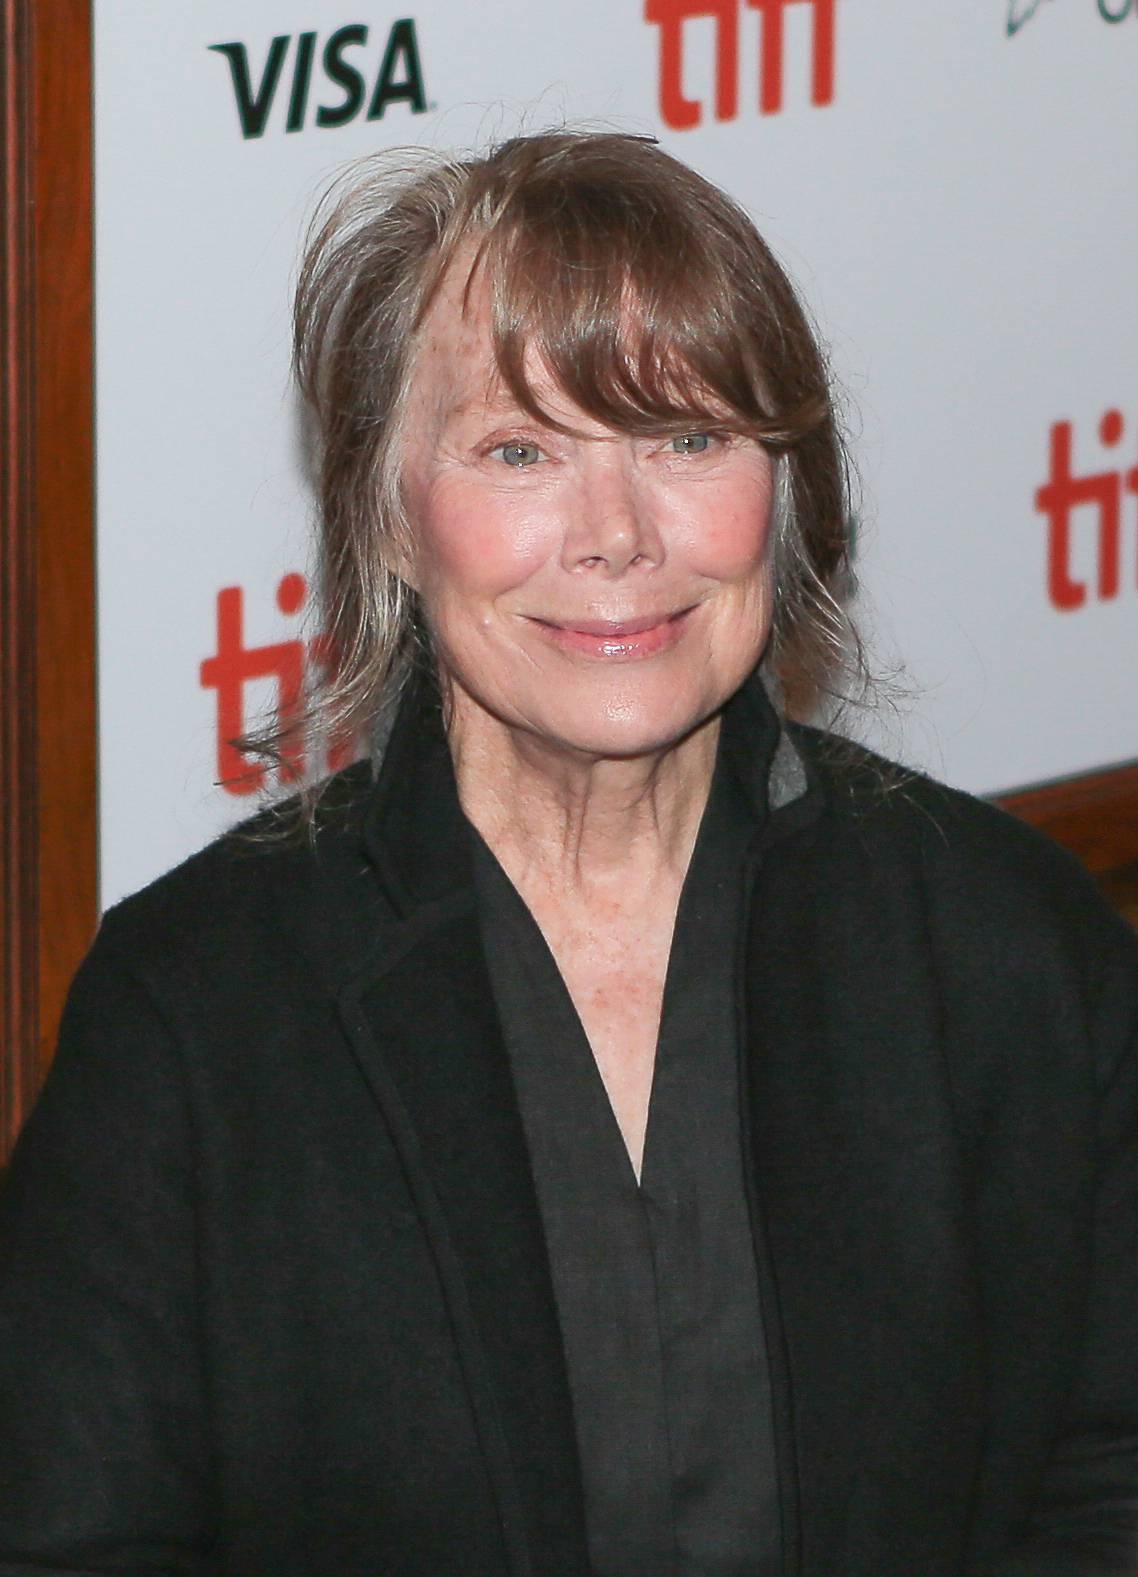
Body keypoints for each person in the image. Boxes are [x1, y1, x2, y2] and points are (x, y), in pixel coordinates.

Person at [1, 130, 1136, 1577]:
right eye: (519, 449)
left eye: (687, 440)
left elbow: (1110, 1468)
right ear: (389, 518)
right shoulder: (190, 1009)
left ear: (783, 492)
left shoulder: (1008, 948)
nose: (614, 534)